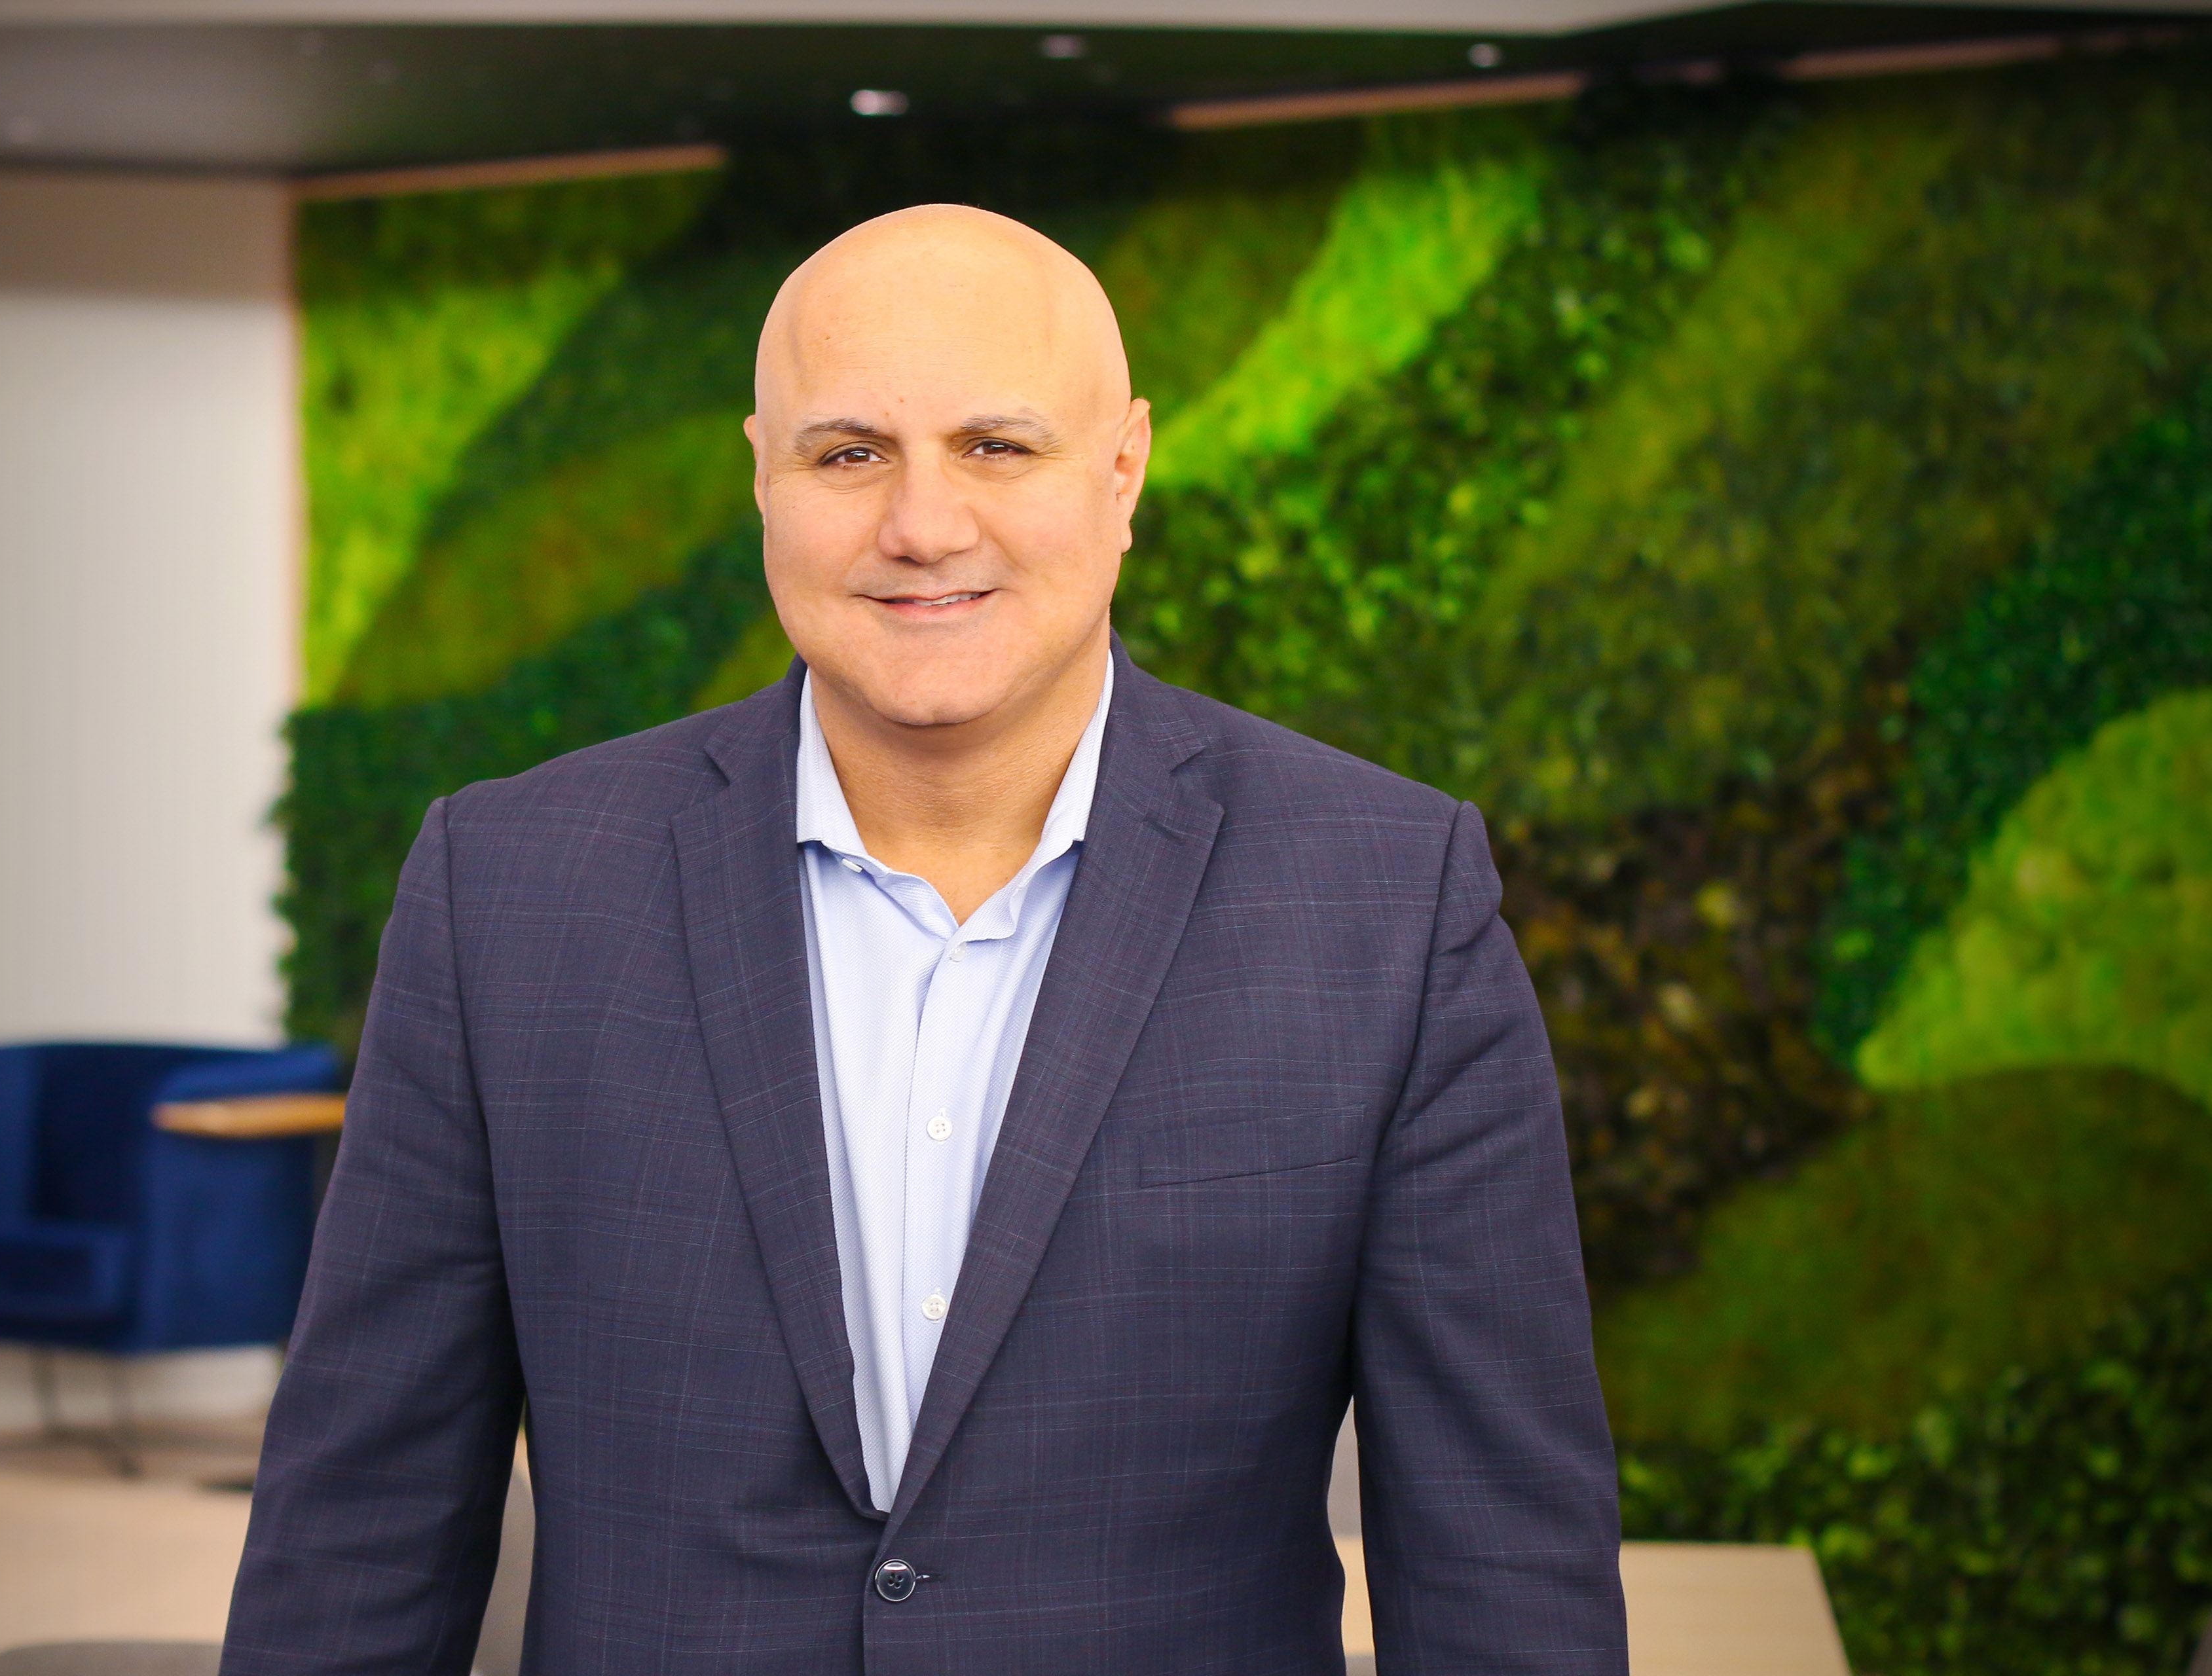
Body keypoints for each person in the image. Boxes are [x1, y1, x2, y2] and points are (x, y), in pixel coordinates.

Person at [222, 204, 1625, 1675]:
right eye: (849, 454)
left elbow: (1500, 1556)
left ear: (1125, 468)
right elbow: (362, 1521)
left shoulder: (1387, 898)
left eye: (997, 446)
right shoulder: (509, 888)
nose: (923, 526)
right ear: (762, 476)